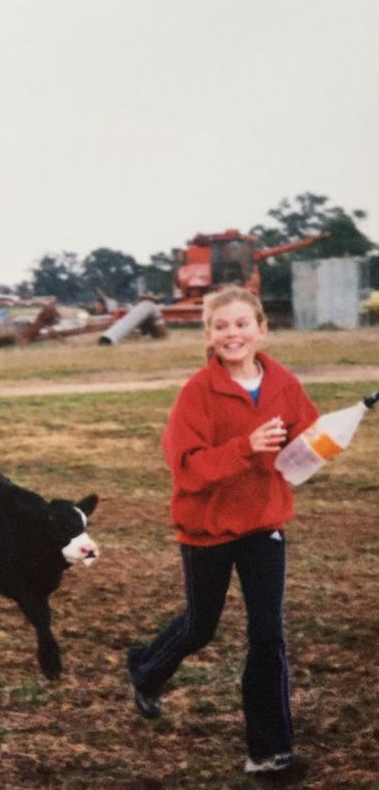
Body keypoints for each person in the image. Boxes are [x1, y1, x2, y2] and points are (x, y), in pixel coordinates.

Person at [127, 286, 317, 782]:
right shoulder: (197, 393)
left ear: (262, 328)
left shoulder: (284, 383)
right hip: (206, 527)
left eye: (241, 324)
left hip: (263, 525)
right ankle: (146, 671)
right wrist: (246, 448)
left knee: (268, 635)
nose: (232, 334)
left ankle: (269, 752)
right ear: (208, 335)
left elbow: (307, 439)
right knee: (201, 625)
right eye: (221, 326)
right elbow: (187, 469)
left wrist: (322, 443)